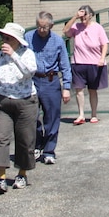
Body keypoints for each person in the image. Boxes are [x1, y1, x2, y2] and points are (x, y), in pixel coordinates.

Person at [0, 22, 38, 193]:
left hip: (25, 101)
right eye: (3, 37)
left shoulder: (27, 54)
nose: (4, 41)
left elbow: (29, 72)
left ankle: (22, 174)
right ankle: (1, 178)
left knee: (25, 140)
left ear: (17, 40)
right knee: (1, 138)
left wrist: (14, 56)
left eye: (8, 38)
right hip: (2, 102)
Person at [23, 12, 72, 165]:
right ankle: (37, 145)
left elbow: (65, 65)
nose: (41, 29)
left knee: (52, 117)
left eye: (44, 27)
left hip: (51, 81)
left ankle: (49, 150)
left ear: (51, 26)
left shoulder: (58, 41)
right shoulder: (28, 37)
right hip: (32, 80)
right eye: (38, 26)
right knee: (32, 116)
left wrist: (66, 87)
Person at [63, 5, 109, 124]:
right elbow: (66, 31)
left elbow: (104, 44)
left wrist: (102, 58)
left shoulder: (98, 27)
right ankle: (81, 114)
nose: (83, 19)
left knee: (92, 90)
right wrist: (75, 16)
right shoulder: (76, 26)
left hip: (94, 63)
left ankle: (94, 114)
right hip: (78, 62)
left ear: (90, 15)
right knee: (79, 90)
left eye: (85, 16)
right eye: (81, 16)